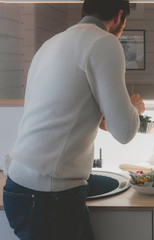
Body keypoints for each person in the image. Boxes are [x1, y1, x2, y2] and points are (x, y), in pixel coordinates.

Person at [2, 0, 144, 239]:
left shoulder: (51, 44)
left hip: (21, 185)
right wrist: (134, 108)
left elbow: (60, 109)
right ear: (120, 16)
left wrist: (100, 115)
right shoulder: (104, 41)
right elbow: (125, 131)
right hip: (48, 195)